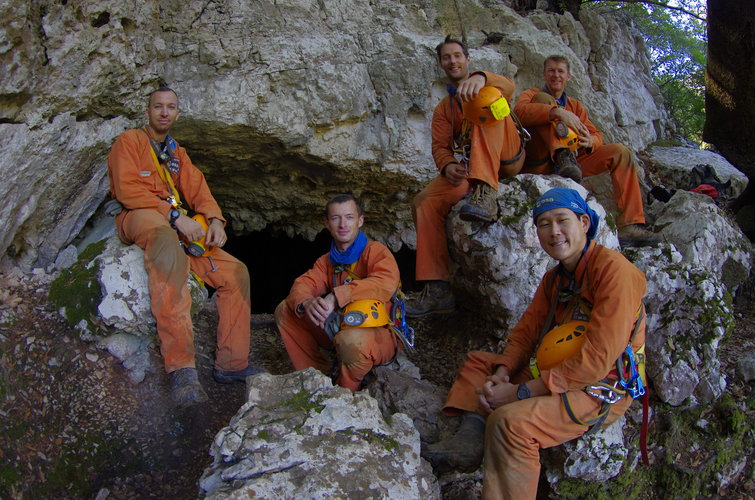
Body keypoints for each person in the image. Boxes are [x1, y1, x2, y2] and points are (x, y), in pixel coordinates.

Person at [422, 187, 647, 499]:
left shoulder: (614, 272)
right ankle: (471, 441)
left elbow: (596, 360)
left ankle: (496, 440)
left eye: (561, 220)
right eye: (543, 224)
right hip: (560, 363)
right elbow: (526, 333)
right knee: (480, 363)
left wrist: (519, 392)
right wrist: (502, 372)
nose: (554, 232)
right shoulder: (556, 279)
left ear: (583, 222)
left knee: (509, 423)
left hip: (601, 386)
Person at [107, 87, 259, 408]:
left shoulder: (176, 152)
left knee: (236, 273)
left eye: (171, 107)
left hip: (174, 221)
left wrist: (215, 220)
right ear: (147, 111)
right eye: (158, 106)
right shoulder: (130, 141)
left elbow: (198, 188)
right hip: (140, 216)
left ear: (177, 113)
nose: (164, 112)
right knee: (168, 249)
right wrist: (175, 216)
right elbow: (126, 189)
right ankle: (182, 370)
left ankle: (231, 365)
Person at [407, 36, 527, 317]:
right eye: (447, 57)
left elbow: (509, 87)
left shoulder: (486, 82)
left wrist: (483, 78)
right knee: (424, 201)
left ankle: (487, 193)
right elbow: (439, 147)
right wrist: (448, 165)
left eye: (457, 55)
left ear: (467, 59)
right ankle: (437, 288)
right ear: (441, 64)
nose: (453, 61)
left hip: (507, 158)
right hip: (470, 167)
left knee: (486, 100)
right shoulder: (443, 110)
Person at [514, 55, 661, 247]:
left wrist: (591, 140)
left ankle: (630, 224)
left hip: (572, 165)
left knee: (620, 152)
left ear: (568, 76)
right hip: (540, 160)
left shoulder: (575, 106)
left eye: (560, 71)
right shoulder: (531, 93)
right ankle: (561, 154)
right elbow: (519, 113)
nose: (555, 75)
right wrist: (556, 112)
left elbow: (596, 134)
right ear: (544, 74)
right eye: (551, 71)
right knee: (542, 99)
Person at [275, 194, 403, 391]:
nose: (343, 224)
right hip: (342, 325)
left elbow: (385, 283)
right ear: (327, 223)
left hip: (379, 333)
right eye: (336, 218)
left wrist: (337, 296)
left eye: (349, 217)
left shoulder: (376, 252)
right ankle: (317, 377)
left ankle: (344, 393)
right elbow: (304, 284)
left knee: (351, 340)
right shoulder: (327, 261)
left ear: (360, 221)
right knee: (286, 309)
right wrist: (307, 302)